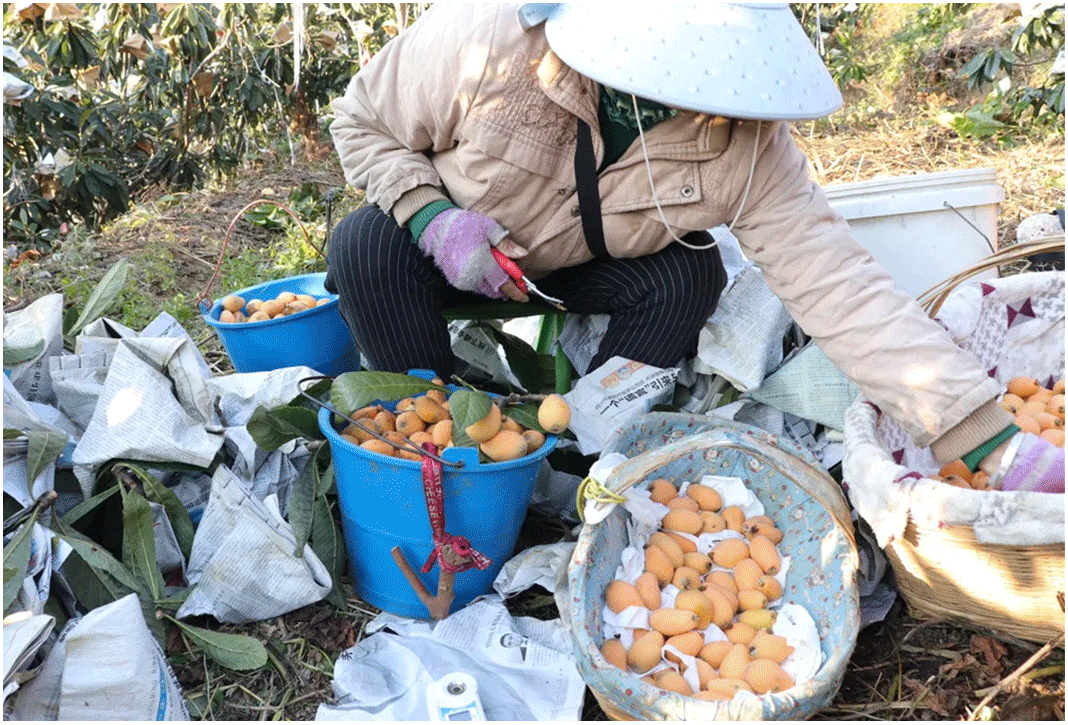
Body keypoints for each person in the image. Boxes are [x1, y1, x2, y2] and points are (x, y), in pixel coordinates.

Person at [326, 3, 1063, 492]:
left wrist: (979, 432)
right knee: (364, 245)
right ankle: (429, 436)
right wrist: (433, 219)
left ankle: (579, 442)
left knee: (691, 271)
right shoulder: (491, 43)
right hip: (465, 253)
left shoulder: (744, 144)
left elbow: (837, 284)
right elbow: (360, 122)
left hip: (581, 268)